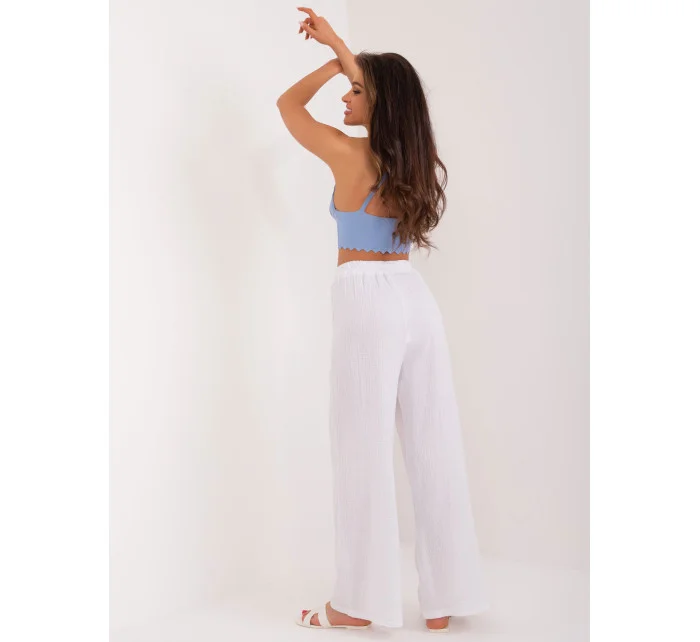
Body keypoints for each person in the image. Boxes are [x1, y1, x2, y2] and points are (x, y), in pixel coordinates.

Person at [276, 7, 490, 632]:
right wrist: (347, 54)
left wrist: (334, 55)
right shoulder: (412, 161)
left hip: (366, 300)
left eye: (355, 90)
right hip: (414, 300)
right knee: (435, 445)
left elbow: (288, 105)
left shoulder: (349, 155)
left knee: (361, 450)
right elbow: (371, 103)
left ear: (379, 102)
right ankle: (445, 600)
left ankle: (357, 603)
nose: (345, 97)